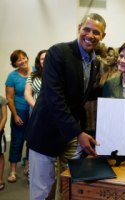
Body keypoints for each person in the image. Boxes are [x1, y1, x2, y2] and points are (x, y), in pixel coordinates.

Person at [26, 13, 106, 200]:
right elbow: (55, 99)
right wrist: (78, 133)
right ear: (79, 28)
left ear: (103, 36)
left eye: (96, 32)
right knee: (42, 191)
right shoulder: (58, 52)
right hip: (46, 133)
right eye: (86, 29)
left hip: (70, 137)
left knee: (70, 187)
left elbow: (80, 99)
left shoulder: (94, 62)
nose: (90, 35)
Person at [5, 49, 32, 183]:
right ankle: (13, 171)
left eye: (24, 58)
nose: (23, 61)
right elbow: (9, 98)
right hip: (19, 111)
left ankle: (28, 167)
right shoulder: (12, 77)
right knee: (17, 141)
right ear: (15, 64)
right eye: (19, 60)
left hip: (34, 111)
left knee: (32, 140)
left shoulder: (35, 71)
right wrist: (15, 115)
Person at [23, 49, 47, 177]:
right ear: (39, 61)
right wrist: (38, 107)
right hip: (37, 113)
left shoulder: (57, 74)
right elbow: (27, 94)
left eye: (47, 58)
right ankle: (31, 171)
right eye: (42, 58)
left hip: (52, 115)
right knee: (34, 142)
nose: (45, 60)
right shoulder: (33, 75)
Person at [0, 95, 8, 190]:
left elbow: (4, 117)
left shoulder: (1, 100)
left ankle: (0, 179)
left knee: (0, 155)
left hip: (0, 133)